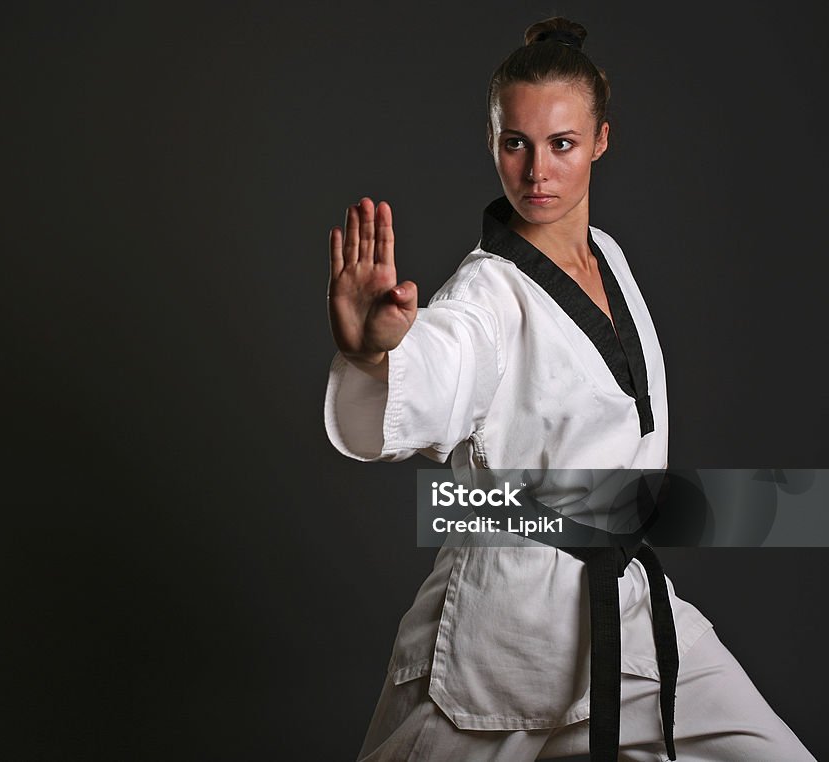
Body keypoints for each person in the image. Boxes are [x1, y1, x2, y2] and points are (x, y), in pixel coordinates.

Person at [324, 16, 815, 762]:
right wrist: (373, 358)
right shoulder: (484, 296)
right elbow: (442, 363)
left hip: (622, 615)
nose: (537, 173)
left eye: (562, 144)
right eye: (515, 144)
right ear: (493, 143)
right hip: (503, 632)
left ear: (601, 141)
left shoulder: (610, 257)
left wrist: (786, 507)